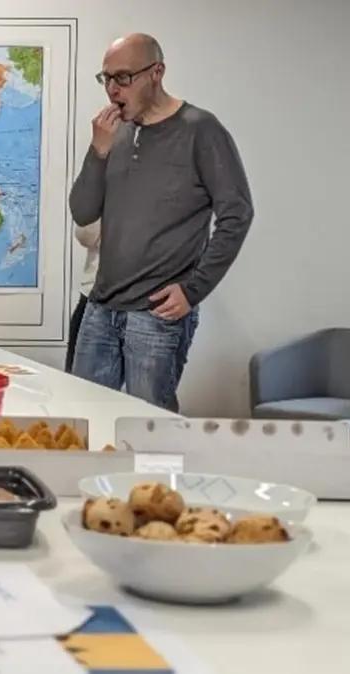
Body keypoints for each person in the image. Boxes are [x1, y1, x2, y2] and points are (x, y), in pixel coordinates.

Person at [68, 33, 253, 412]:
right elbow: (83, 212)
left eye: (123, 77)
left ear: (157, 72)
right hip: (100, 307)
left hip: (156, 313)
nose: (113, 90)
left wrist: (194, 289)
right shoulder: (114, 133)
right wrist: (97, 151)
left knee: (149, 429)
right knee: (81, 420)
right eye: (106, 78)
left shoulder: (201, 129)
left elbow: (237, 213)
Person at [66, 220, 100, 372]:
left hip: (149, 299)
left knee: (146, 393)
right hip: (94, 294)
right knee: (78, 386)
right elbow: (85, 237)